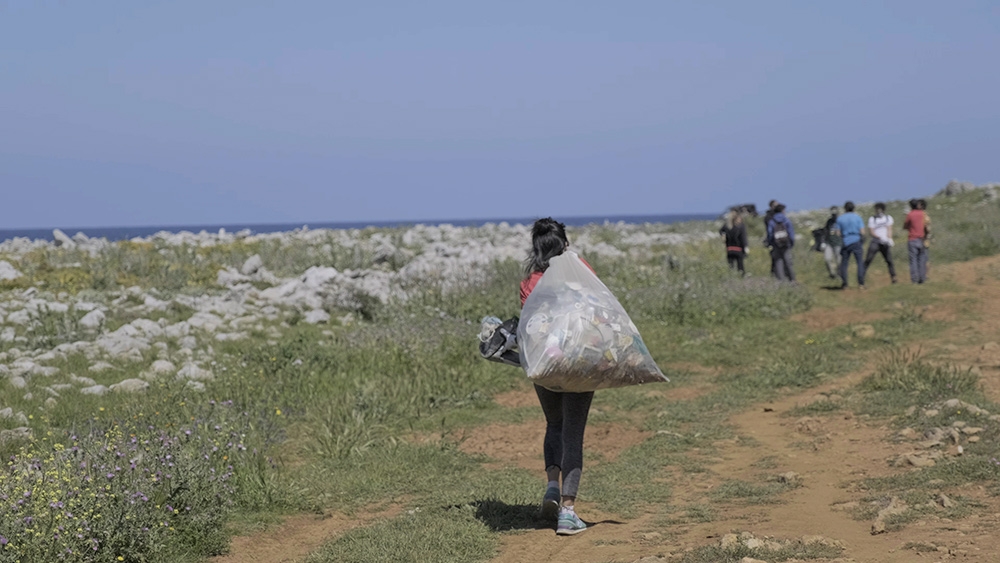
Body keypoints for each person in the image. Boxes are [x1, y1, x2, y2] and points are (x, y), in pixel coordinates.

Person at [519, 217, 592, 536]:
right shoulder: (579, 270)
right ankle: (568, 511)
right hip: (577, 362)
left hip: (544, 365)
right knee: (573, 432)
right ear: (565, 243)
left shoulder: (530, 281)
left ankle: (551, 487)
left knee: (554, 423)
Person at [864, 202, 898, 284]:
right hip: (875, 242)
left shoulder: (888, 218)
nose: (879, 211)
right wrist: (878, 237)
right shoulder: (872, 219)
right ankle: (862, 276)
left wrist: (889, 238)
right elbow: (871, 231)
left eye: (880, 209)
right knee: (868, 259)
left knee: (889, 260)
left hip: (885, 242)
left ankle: (893, 277)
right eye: (877, 209)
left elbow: (889, 228)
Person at [836, 201, 866, 289]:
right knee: (859, 262)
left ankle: (845, 284)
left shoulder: (840, 219)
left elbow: (838, 233)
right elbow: (862, 231)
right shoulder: (857, 217)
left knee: (844, 264)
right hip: (856, 240)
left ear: (845, 208)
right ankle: (861, 284)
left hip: (846, 241)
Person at [766, 204, 796, 282]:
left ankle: (781, 281)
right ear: (782, 211)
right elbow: (791, 233)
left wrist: (771, 243)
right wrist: (791, 243)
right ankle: (792, 280)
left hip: (776, 244)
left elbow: (770, 234)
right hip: (786, 244)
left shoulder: (772, 221)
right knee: (788, 262)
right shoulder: (786, 220)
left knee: (778, 262)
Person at [903, 198, 930, 283]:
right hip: (921, 238)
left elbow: (905, 226)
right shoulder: (922, 214)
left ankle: (914, 279)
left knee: (913, 260)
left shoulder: (910, 215)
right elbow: (926, 224)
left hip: (912, 239)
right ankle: (922, 277)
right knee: (922, 259)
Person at [719, 210, 748, 275]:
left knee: (731, 266)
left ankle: (731, 278)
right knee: (740, 267)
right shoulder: (741, 227)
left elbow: (721, 231)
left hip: (729, 249)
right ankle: (741, 279)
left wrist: (724, 236)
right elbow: (743, 238)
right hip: (739, 249)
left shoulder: (727, 226)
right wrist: (745, 247)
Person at [822, 206, 842, 279]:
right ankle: (832, 274)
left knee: (839, 260)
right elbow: (826, 231)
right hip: (829, 243)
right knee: (827, 259)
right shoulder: (829, 221)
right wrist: (823, 242)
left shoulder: (841, 221)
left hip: (838, 243)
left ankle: (839, 274)